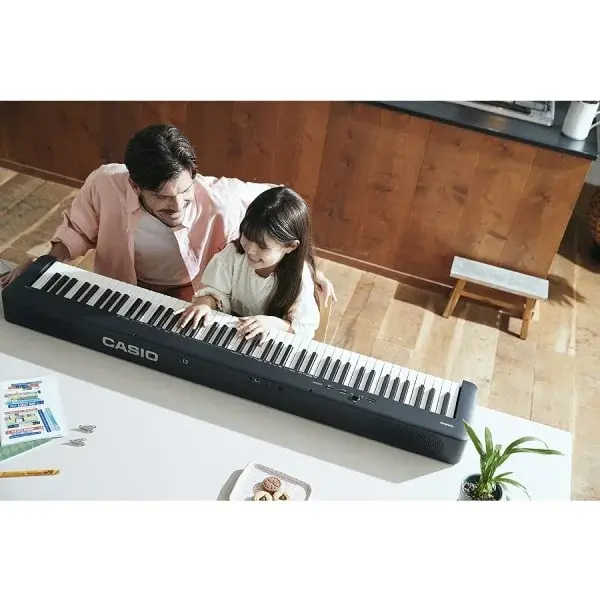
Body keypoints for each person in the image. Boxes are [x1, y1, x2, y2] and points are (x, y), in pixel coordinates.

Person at [0, 124, 336, 305]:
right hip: (123, 286)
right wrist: (48, 259)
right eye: (161, 197)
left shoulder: (222, 198)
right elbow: (78, 230)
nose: (177, 207)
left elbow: (285, 206)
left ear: (194, 175)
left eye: (185, 193)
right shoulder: (105, 183)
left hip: (193, 294)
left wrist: (305, 265)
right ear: (135, 184)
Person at [177, 186, 320, 342]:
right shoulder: (232, 254)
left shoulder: (300, 278)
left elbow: (303, 329)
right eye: (247, 236)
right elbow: (215, 291)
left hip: (268, 342)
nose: (250, 250)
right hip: (230, 334)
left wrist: (274, 323)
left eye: (262, 246)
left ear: (290, 246)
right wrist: (205, 304)